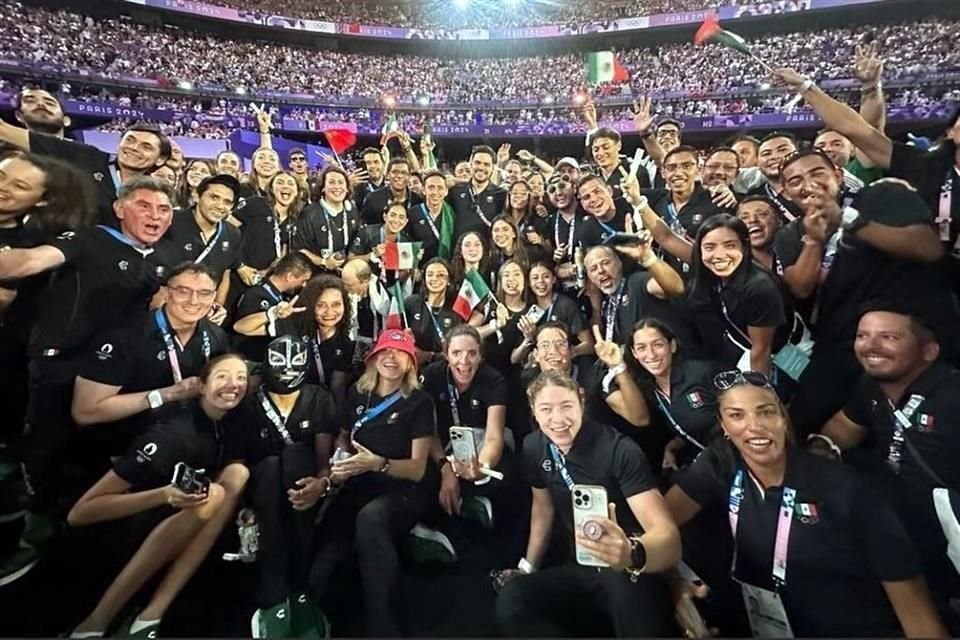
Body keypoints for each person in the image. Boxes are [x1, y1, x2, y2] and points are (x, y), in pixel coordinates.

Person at [664, 369, 946, 638]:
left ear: (783, 419)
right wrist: (675, 585)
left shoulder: (845, 489)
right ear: (724, 425)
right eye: (737, 415)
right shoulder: (722, 466)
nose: (755, 426)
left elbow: (916, 614)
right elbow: (657, 526)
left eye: (766, 412)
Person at [0, 178, 174, 537]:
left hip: (112, 376)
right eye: (144, 205)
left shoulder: (159, 261)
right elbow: (30, 261)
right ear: (119, 209)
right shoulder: (91, 240)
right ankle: (32, 532)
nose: (155, 215)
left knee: (88, 458)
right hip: (61, 367)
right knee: (46, 454)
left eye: (164, 209)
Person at [65, 354, 250, 639]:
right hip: (127, 523)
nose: (233, 384)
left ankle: (151, 615)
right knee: (214, 495)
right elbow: (81, 513)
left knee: (236, 475)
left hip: (177, 519)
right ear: (201, 386)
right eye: (223, 376)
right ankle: (96, 621)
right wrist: (163, 496)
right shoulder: (171, 435)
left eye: (241, 377)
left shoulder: (227, 423)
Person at [494, 370, 680, 638]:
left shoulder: (619, 450)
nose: (557, 419)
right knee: (514, 598)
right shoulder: (534, 446)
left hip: (631, 568)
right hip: (582, 566)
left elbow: (669, 539)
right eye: (546, 409)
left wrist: (631, 552)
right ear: (533, 411)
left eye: (566, 406)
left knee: (631, 599)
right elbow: (543, 508)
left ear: (581, 401)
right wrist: (528, 567)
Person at [815, 304, 960, 624]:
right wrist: (817, 454)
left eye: (888, 336)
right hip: (909, 540)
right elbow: (840, 430)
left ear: (929, 351)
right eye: (862, 336)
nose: (871, 345)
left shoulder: (952, 395)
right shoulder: (870, 388)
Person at [309, 329, 436, 638]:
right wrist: (339, 462)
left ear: (410, 363)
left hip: (401, 490)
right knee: (323, 575)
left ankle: (386, 628)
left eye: (399, 353)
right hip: (356, 486)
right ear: (374, 358)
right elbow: (344, 435)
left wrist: (378, 463)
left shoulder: (419, 402)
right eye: (385, 352)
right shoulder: (357, 393)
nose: (390, 358)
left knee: (371, 520)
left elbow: (418, 469)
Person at [221, 336, 338, 638]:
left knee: (296, 454)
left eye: (294, 363)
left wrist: (321, 483)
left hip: (303, 490)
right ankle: (276, 591)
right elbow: (237, 463)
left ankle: (297, 589)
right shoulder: (248, 404)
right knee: (272, 465)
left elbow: (324, 459)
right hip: (262, 496)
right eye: (279, 363)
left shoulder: (319, 398)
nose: (286, 370)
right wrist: (243, 506)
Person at [71, 262, 231, 462]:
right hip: (123, 452)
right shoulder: (123, 337)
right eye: (183, 291)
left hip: (185, 447)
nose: (194, 301)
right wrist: (166, 395)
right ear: (166, 292)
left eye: (205, 293)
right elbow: (85, 412)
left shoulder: (216, 336)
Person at [420, 325, 521, 547]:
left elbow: (494, 436)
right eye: (456, 353)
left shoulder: (494, 380)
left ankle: (473, 502)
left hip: (483, 444)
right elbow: (426, 430)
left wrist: (479, 468)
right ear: (446, 354)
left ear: (480, 356)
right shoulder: (432, 376)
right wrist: (445, 468)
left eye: (471, 353)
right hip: (445, 446)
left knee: (504, 477)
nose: (464, 361)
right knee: (423, 474)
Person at [0, 119, 172, 224]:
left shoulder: (152, 192)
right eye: (130, 140)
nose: (134, 148)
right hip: (55, 248)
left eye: (146, 147)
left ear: (160, 159)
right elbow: (6, 131)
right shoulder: (85, 156)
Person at [685, 215, 788, 376]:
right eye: (709, 247)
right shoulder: (711, 273)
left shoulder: (759, 288)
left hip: (778, 356)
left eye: (730, 245)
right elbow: (668, 238)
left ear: (744, 246)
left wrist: (758, 391)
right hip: (741, 348)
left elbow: (761, 350)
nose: (719, 255)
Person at [628, 318, 720, 471]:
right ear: (634, 353)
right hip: (704, 462)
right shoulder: (651, 391)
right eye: (641, 348)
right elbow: (689, 426)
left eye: (657, 345)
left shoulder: (703, 373)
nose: (651, 355)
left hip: (737, 457)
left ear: (672, 346)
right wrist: (673, 446)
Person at [155, 174, 242, 307]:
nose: (220, 206)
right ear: (197, 196)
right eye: (214, 197)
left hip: (202, 308)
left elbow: (225, 272)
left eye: (227, 202)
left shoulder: (232, 233)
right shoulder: (170, 221)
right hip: (164, 304)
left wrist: (217, 306)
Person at [275, 274, 354, 405]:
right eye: (321, 305)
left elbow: (337, 388)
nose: (330, 312)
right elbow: (242, 327)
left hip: (322, 409)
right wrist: (274, 314)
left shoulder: (345, 343)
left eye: (336, 304)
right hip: (291, 403)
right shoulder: (294, 329)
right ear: (311, 305)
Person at [232, 252, 313, 363]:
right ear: (289, 277)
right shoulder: (255, 294)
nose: (304, 285)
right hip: (250, 361)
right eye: (303, 280)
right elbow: (240, 329)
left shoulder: (282, 296)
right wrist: (273, 313)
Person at [235, 171, 307, 287]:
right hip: (239, 274)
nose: (285, 186)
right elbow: (225, 231)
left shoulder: (294, 218)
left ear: (297, 192)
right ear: (272, 189)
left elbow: (283, 249)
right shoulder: (255, 203)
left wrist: (269, 271)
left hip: (267, 279)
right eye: (280, 182)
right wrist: (240, 266)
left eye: (290, 183)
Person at [294, 166, 362, 274]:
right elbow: (300, 249)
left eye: (341, 182)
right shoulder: (309, 213)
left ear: (347, 188)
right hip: (316, 274)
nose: (337, 186)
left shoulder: (352, 211)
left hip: (346, 272)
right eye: (331, 182)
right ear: (323, 188)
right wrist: (324, 262)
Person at [404, 257, 461, 366]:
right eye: (430, 274)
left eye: (441, 275)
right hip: (416, 366)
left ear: (449, 280)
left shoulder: (457, 306)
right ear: (424, 279)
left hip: (448, 366)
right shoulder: (411, 303)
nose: (434, 278)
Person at [448, 145, 507, 241]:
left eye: (486, 164)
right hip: (459, 251)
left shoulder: (502, 195)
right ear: (470, 164)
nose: (481, 167)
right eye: (477, 163)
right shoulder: (455, 191)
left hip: (489, 252)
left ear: (493, 168)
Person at [406, 169, 455, 263]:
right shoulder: (412, 213)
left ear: (446, 191)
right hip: (421, 270)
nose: (435, 192)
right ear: (424, 190)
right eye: (431, 187)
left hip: (446, 268)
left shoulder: (453, 214)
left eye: (440, 188)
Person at [360, 157, 423, 226]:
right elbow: (365, 226)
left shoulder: (418, 201)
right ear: (387, 175)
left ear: (409, 176)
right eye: (395, 172)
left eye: (404, 173)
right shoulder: (373, 199)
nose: (399, 176)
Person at [501, 179, 548, 263]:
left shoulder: (537, 219)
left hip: (531, 265)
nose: (518, 196)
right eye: (515, 193)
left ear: (529, 197)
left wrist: (541, 241)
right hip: (505, 265)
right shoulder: (502, 220)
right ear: (509, 196)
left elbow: (549, 249)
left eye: (523, 193)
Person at [352, 147, 386, 212]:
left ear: (383, 164)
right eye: (368, 163)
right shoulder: (358, 188)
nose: (372, 166)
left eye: (376, 162)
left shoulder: (391, 185)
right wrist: (349, 187)